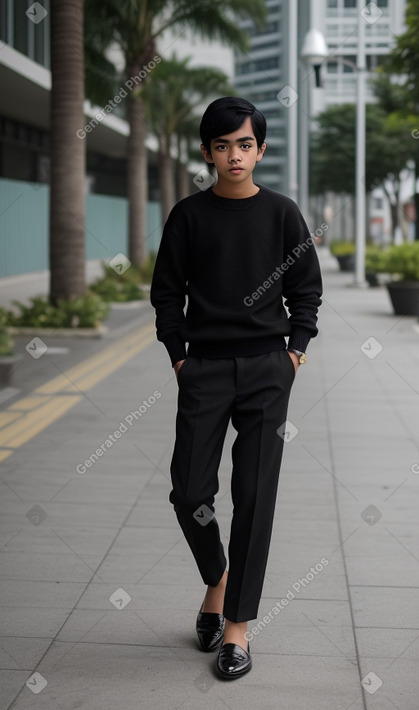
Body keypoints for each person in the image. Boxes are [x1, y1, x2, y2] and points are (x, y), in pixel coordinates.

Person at [150, 96, 322, 680]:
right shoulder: (188, 216)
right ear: (207, 152)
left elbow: (307, 293)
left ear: (260, 150)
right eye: (222, 145)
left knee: (254, 494)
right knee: (188, 491)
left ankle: (238, 628)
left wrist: (293, 355)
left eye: (244, 144)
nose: (234, 155)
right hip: (203, 369)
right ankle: (217, 579)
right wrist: (179, 358)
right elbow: (166, 293)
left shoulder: (282, 215)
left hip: (267, 370)